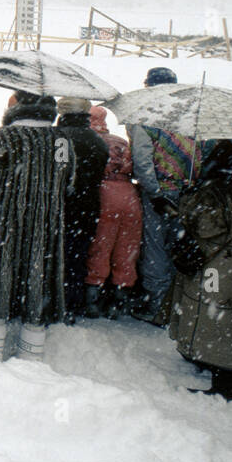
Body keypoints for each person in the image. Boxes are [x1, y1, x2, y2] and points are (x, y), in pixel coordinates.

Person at [0, 92, 75, 361]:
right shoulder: (61, 138)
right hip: (47, 225)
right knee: (39, 282)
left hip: (7, 223)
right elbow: (69, 180)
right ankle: (31, 353)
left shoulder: (6, 136)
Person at [169, 141, 232, 401]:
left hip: (215, 268)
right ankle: (209, 361)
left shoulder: (216, 192)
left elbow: (207, 228)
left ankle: (224, 382)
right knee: (225, 316)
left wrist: (188, 201)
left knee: (211, 315)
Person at [128, 66, 189, 324]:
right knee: (179, 244)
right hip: (187, 192)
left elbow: (142, 162)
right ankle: (180, 305)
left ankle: (157, 306)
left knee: (155, 248)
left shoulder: (147, 116)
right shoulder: (189, 116)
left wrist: (153, 192)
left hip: (159, 191)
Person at [84, 106, 143, 319]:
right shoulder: (120, 141)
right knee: (127, 250)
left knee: (100, 248)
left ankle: (93, 300)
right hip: (130, 196)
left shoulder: (91, 140)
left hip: (105, 194)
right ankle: (120, 301)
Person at [54, 96, 109, 319]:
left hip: (62, 207)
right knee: (77, 257)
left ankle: (56, 303)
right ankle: (73, 303)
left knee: (57, 256)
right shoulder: (97, 140)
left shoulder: (60, 139)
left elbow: (57, 172)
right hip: (88, 207)